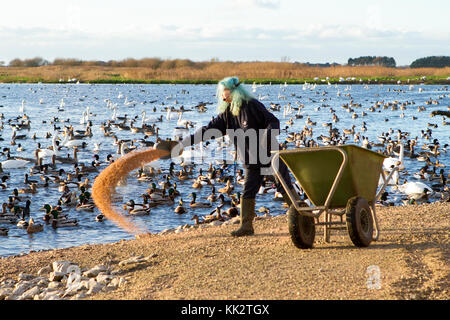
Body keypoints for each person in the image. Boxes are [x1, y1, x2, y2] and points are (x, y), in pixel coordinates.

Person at [170, 76, 299, 237]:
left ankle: (303, 219)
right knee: (248, 191)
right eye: (222, 93)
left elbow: (273, 121)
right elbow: (207, 130)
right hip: (250, 159)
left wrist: (267, 137)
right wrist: (183, 143)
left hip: (269, 155)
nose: (222, 95)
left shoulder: (252, 105)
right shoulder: (227, 114)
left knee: (284, 186)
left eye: (225, 92)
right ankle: (246, 226)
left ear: (236, 91)